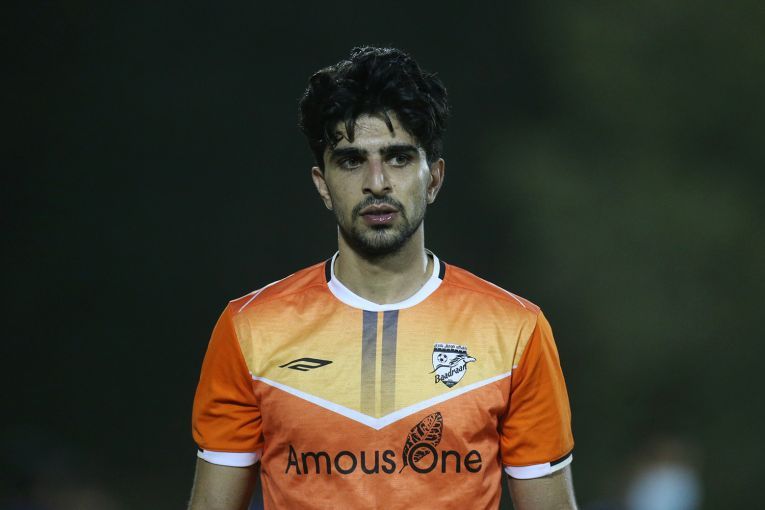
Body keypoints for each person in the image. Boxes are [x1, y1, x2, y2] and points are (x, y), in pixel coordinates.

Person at [188, 46, 577, 510]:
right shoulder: (248, 330)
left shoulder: (516, 331)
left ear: (434, 179)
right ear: (322, 184)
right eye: (352, 161)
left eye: (397, 158)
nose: (376, 182)